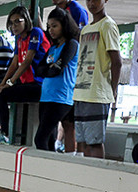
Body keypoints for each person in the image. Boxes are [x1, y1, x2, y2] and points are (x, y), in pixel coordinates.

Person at [0, 6, 51, 144]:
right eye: (11, 23)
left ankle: (5, 133)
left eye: (17, 22)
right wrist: (2, 83)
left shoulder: (35, 33)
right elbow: (14, 63)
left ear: (25, 20)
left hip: (38, 84)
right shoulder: (19, 39)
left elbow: (27, 62)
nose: (13, 26)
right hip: (25, 82)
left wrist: (9, 83)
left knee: (2, 94)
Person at [73, 0, 121, 158]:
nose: (91, 3)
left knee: (94, 141)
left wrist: (113, 90)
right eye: (88, 0)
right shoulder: (86, 29)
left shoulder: (107, 25)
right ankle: (86, 176)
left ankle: (96, 177)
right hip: (81, 92)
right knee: (83, 141)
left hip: (97, 93)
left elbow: (117, 62)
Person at [34, 8, 80, 151]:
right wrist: (50, 67)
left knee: (40, 138)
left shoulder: (71, 44)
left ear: (64, 25)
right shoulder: (53, 48)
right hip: (46, 96)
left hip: (61, 98)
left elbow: (56, 70)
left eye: (54, 26)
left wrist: (49, 68)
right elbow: (38, 69)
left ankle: (42, 169)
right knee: (48, 139)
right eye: (49, 27)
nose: (51, 30)